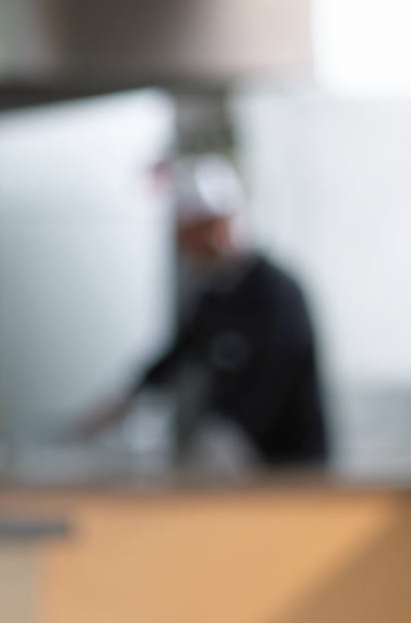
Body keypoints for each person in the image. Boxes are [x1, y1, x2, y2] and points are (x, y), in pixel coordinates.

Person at [73, 157, 330, 467]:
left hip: (293, 468)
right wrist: (124, 399)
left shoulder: (278, 293)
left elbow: (278, 373)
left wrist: (233, 435)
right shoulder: (214, 295)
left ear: (217, 227)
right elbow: (178, 352)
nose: (185, 252)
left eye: (190, 237)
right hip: (240, 471)